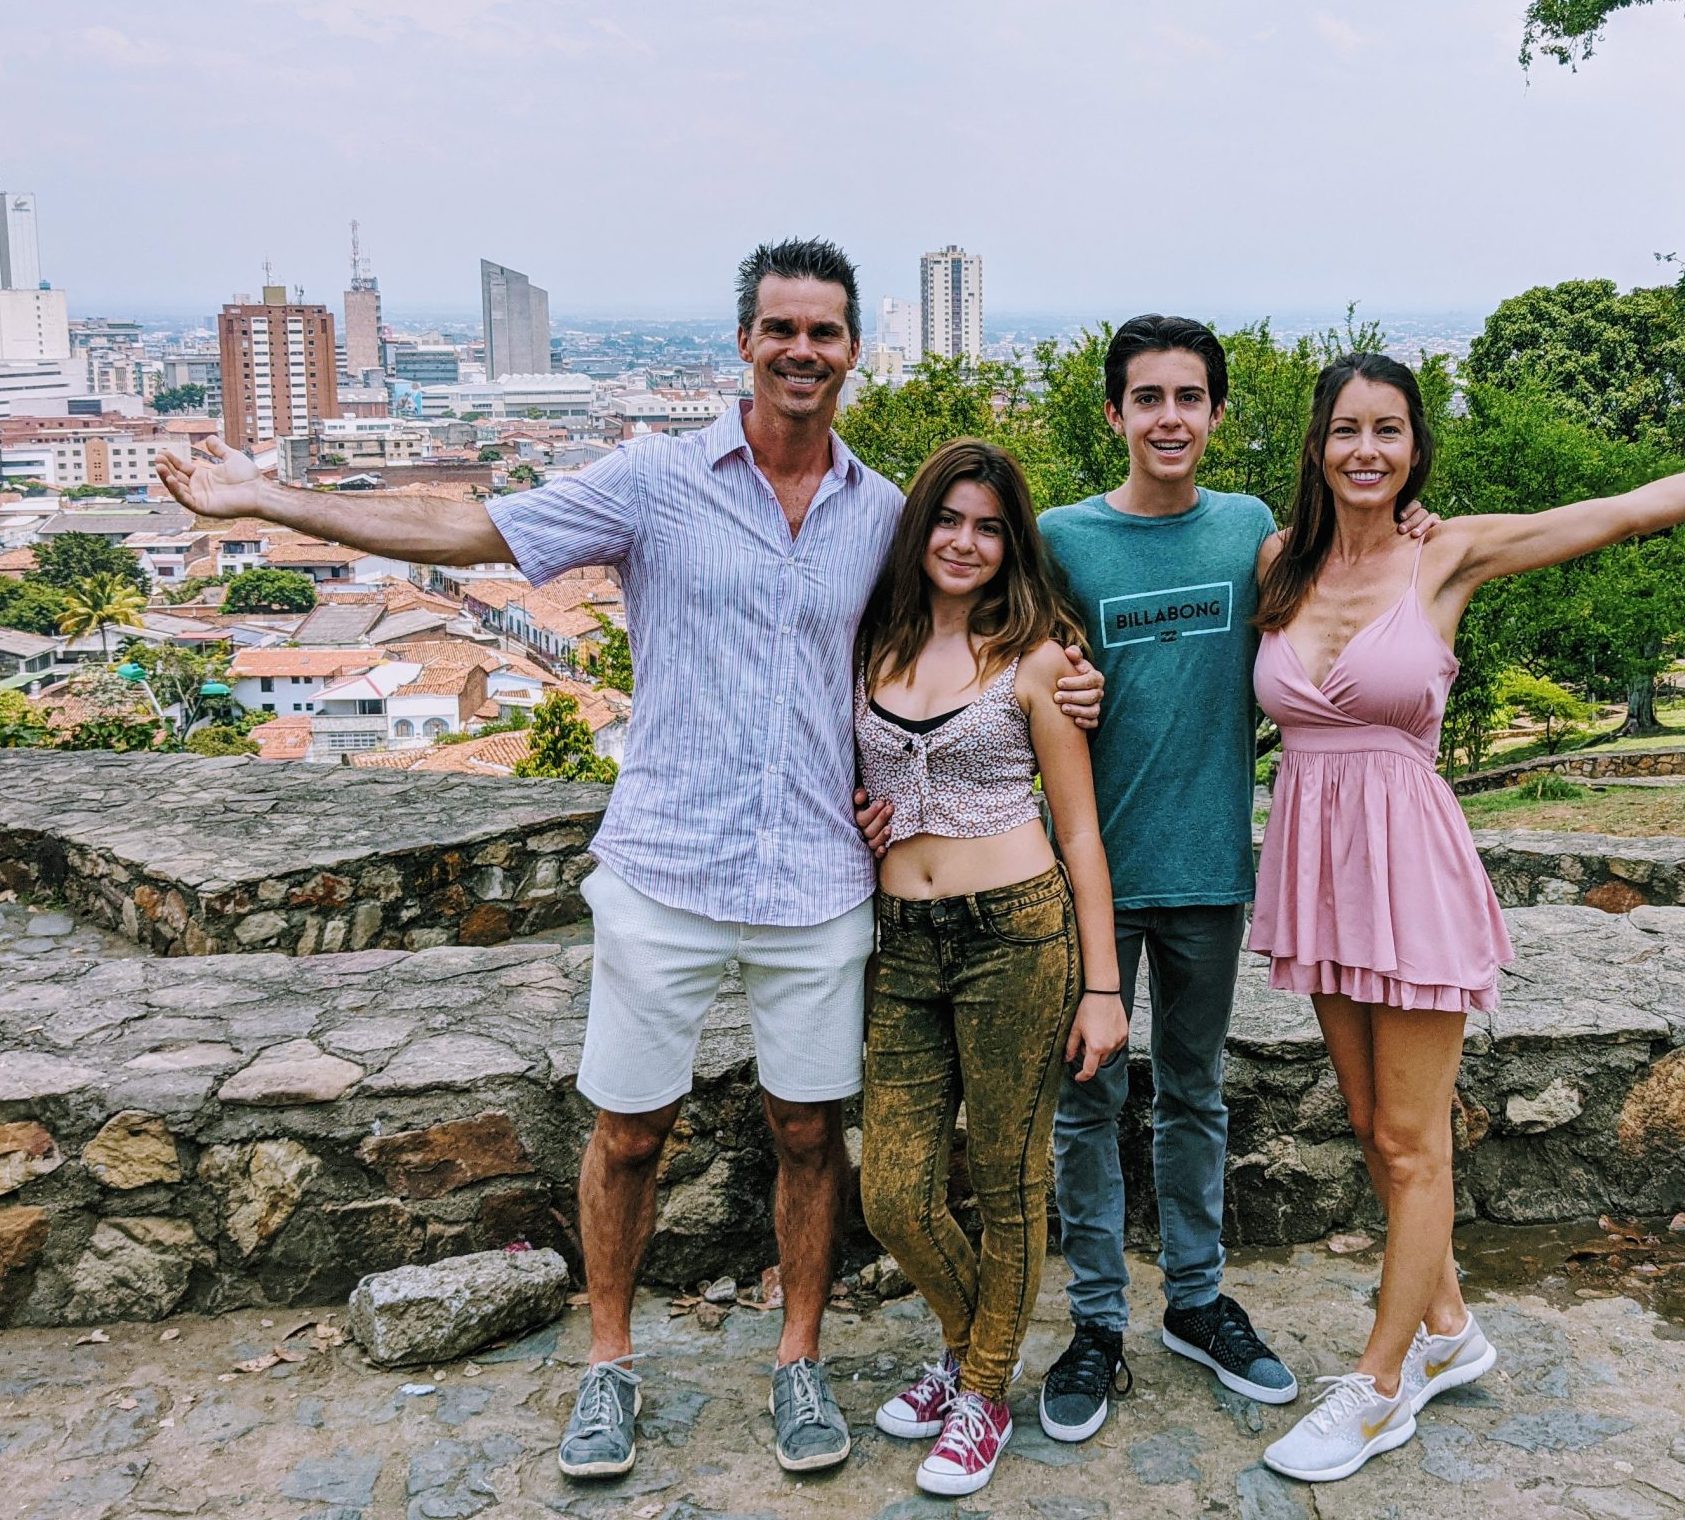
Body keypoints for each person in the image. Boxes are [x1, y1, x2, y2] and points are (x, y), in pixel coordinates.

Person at [154, 237, 1104, 1485]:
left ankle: (799, 1355)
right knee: (628, 1131)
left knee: (811, 1134)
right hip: (666, 863)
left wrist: (1066, 669)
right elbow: (468, 529)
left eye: (825, 330)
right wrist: (271, 500)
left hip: (819, 877)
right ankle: (609, 1363)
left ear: (856, 347)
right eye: (781, 328)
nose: (802, 350)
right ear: (746, 343)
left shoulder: (885, 513)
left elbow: (964, 614)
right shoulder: (655, 479)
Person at [1250, 354, 1685, 1483]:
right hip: (1318, 870)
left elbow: (1632, 509)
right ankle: (1450, 1328)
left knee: (1408, 1139)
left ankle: (1379, 1386)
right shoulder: (1276, 560)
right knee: (1373, 1121)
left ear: (1416, 446)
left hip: (1411, 868)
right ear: (1316, 446)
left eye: (1388, 429)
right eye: (1345, 430)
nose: (1366, 450)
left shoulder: (1451, 549)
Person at [1025, 317, 1437, 1441]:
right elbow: (992, 656)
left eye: (1190, 397)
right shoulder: (1061, 538)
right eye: (1147, 397)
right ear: (1112, 413)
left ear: (1216, 414)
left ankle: (1196, 1301)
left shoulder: (1255, 531)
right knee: (1087, 1105)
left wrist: (1409, 519)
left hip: (1212, 868)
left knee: (1197, 1096)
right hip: (1089, 881)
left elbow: (1356, 565)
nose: (1169, 417)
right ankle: (1098, 1322)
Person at [854, 438, 1128, 1498]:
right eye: (948, 519)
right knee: (894, 1191)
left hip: (1018, 934)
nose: (964, 542)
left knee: (1009, 1184)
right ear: (918, 527)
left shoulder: (1040, 660)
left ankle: (979, 1391)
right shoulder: (872, 644)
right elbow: (852, 781)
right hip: (904, 943)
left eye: (988, 526)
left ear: (1010, 544)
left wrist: (1101, 985)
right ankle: (976, 1351)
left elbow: (1081, 832)